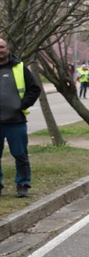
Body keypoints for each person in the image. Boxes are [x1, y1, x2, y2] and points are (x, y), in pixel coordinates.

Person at [0, 38, 43, 198]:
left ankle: (23, 184)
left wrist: (22, 105)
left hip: (15, 121)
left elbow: (34, 89)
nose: (0, 50)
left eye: (2, 47)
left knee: (20, 155)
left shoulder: (19, 67)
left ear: (8, 48)